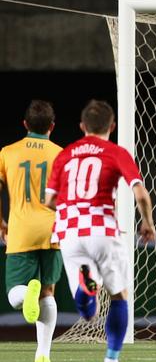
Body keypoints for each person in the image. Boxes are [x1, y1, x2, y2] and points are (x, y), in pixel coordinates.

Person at [44, 100, 156, 362]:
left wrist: (72, 208)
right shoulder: (116, 152)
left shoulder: (65, 154)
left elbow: (49, 200)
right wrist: (147, 223)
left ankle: (87, 289)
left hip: (69, 232)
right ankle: (111, 358)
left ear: (82, 126)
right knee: (119, 295)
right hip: (103, 229)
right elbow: (140, 194)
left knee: (87, 311)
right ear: (112, 126)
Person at [0, 100, 62, 362]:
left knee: (15, 293)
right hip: (51, 230)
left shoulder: (7, 152)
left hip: (21, 230)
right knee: (48, 291)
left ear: (25, 124)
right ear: (52, 127)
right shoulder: (60, 153)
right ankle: (42, 353)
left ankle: (27, 294)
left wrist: (1, 222)